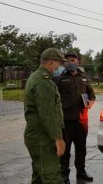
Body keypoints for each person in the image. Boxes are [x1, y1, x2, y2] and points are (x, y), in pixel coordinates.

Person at [24, 48, 67, 184]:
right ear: (51, 62)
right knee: (52, 177)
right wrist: (58, 138)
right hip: (42, 137)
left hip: (38, 135)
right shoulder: (43, 81)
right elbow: (48, 114)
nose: (61, 67)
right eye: (60, 64)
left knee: (39, 177)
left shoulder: (38, 77)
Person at [55, 51, 96, 183]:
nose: (70, 62)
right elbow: (54, 98)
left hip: (82, 120)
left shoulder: (83, 77)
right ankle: (64, 175)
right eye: (67, 60)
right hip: (66, 120)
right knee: (65, 149)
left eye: (73, 59)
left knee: (81, 148)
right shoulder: (60, 78)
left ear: (78, 61)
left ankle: (81, 172)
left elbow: (90, 92)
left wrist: (91, 100)